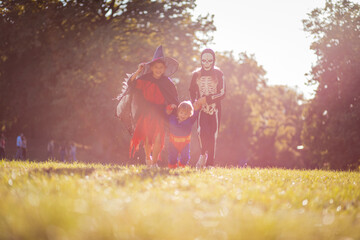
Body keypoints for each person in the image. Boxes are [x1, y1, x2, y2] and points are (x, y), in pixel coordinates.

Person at [121, 45, 179, 168]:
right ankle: (148, 158)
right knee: (147, 138)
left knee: (158, 138)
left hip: (160, 113)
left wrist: (173, 106)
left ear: (164, 69)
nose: (158, 70)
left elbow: (174, 98)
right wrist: (138, 71)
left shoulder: (167, 83)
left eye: (161, 68)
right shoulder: (144, 79)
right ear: (151, 67)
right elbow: (131, 83)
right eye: (156, 67)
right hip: (146, 112)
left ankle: (154, 163)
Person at [189, 48, 226, 168]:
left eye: (209, 60)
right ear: (201, 60)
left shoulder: (219, 74)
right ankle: (202, 155)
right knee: (200, 132)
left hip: (215, 109)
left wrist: (207, 99)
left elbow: (222, 93)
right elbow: (192, 90)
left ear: (213, 60)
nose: (206, 63)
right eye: (204, 60)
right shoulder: (196, 74)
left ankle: (210, 164)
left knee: (212, 135)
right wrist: (194, 101)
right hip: (201, 109)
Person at [166, 100, 204, 169]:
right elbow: (167, 114)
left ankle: (182, 166)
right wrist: (170, 107)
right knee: (172, 157)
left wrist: (198, 106)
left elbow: (195, 113)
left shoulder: (190, 121)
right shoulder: (173, 119)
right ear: (178, 112)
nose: (183, 115)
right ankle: (172, 166)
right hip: (173, 143)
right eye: (181, 113)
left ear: (189, 114)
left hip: (185, 143)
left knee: (185, 157)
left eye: (185, 114)